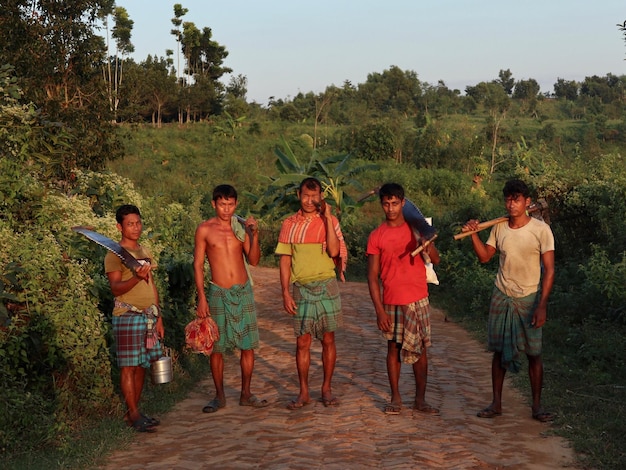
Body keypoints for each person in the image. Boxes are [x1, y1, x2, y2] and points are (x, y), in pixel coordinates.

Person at [462, 179, 555, 422]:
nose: (511, 204)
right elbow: (485, 257)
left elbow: (550, 270)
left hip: (530, 298)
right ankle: (496, 403)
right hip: (502, 295)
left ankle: (536, 406)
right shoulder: (499, 228)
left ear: (527, 202)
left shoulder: (541, 230)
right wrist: (473, 234)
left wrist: (542, 304)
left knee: (534, 353)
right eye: (508, 199)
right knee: (498, 351)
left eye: (516, 199)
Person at [193, 184, 269, 413]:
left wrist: (253, 235)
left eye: (230, 204)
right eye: (222, 204)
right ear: (213, 204)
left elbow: (254, 260)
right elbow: (197, 265)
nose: (226, 209)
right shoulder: (205, 229)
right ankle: (219, 396)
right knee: (217, 348)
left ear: (236, 204)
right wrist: (202, 297)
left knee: (248, 346)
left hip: (242, 290)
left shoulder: (240, 228)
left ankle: (246, 393)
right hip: (218, 292)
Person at [366, 183, 440, 415]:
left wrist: (427, 245)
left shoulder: (418, 229)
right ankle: (395, 398)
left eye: (395, 203)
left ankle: (420, 400)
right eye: (386, 204)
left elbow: (436, 259)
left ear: (403, 203)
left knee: (422, 351)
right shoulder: (376, 236)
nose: (390, 208)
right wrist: (379, 311)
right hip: (391, 300)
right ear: (382, 205)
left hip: (418, 298)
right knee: (393, 348)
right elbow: (372, 277)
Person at [276, 177, 348, 410]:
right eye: (305, 196)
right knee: (302, 342)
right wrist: (286, 292)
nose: (309, 201)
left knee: (328, 339)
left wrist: (326, 217)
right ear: (299, 195)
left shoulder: (330, 221)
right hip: (301, 289)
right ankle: (304, 391)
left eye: (314, 197)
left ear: (320, 199)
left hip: (327, 284)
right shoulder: (289, 224)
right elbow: (285, 261)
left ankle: (326, 389)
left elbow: (335, 250)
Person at [105, 204, 165, 433]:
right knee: (128, 366)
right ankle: (134, 414)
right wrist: (137, 278)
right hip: (127, 314)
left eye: (138, 222)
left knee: (142, 365)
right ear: (119, 226)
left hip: (148, 316)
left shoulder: (143, 250)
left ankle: (134, 413)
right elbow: (116, 288)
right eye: (130, 224)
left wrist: (158, 316)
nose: (136, 227)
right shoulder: (114, 254)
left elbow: (152, 285)